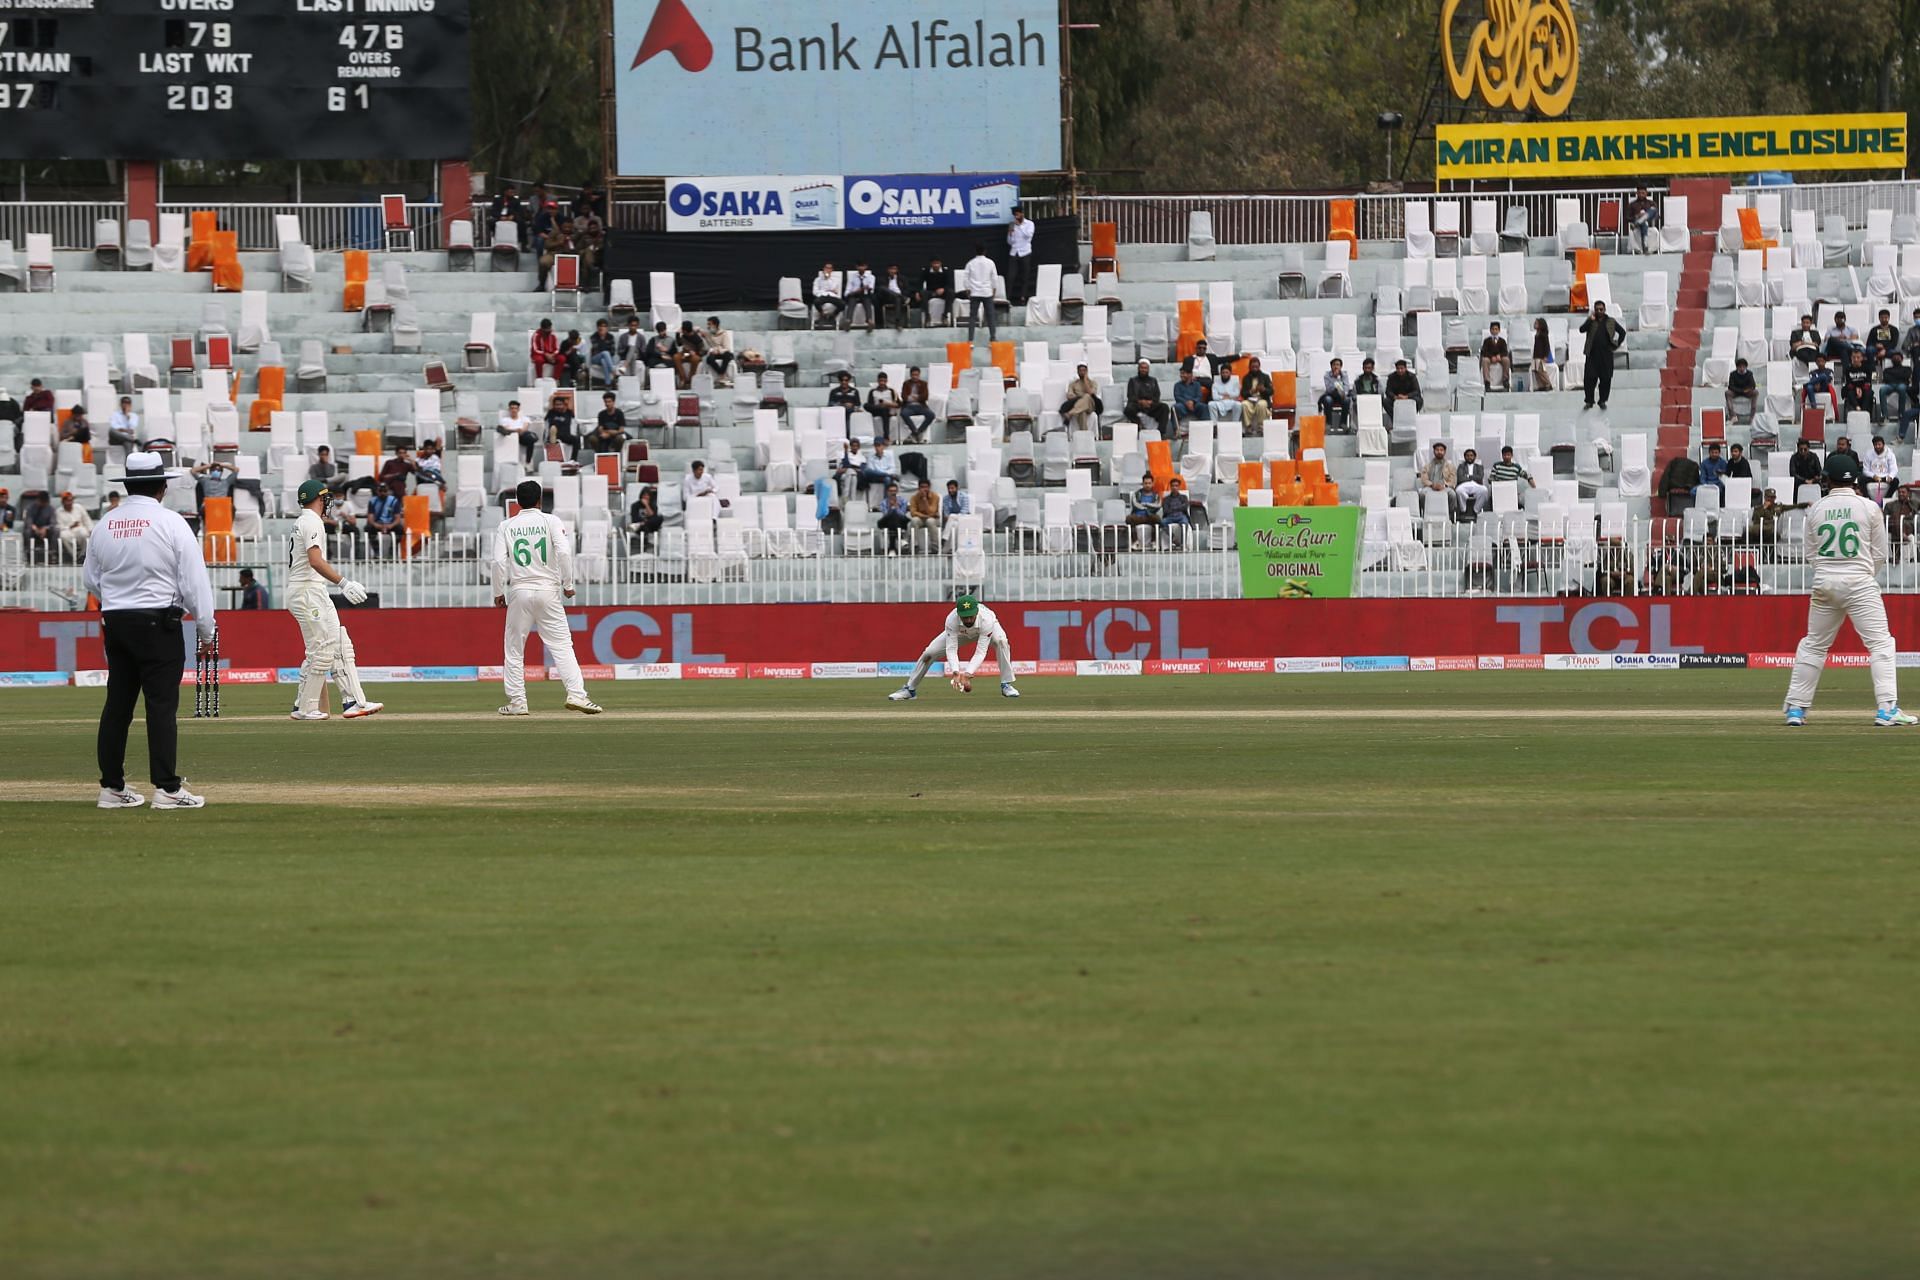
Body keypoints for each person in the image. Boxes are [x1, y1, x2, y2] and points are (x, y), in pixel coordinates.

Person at [85, 453, 218, 810]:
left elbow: (91, 580)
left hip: (117, 622)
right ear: (162, 486)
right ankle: (167, 789)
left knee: (117, 706)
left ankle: (111, 788)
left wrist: (117, 601)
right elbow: (194, 583)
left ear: (128, 485)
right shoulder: (172, 523)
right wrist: (207, 630)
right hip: (159, 622)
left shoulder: (105, 524)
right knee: (161, 707)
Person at [1783, 454, 1916, 727]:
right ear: (1855, 479)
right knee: (1880, 643)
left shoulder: (1816, 509)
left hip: (1825, 583)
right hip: (1859, 582)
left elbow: (1811, 553)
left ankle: (1796, 709)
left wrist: (1828, 571)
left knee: (1814, 645)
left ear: (1826, 479)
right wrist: (1863, 573)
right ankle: (1887, 708)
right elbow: (1879, 552)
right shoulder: (1868, 507)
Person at [492, 479, 603, 716]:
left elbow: (499, 562)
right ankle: (577, 695)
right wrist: (568, 583)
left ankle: (518, 703)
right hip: (548, 589)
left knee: (513, 649)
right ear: (540, 500)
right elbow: (563, 551)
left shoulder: (506, 525)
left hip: (519, 590)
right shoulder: (550, 520)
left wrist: (498, 592)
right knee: (562, 645)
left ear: (517, 502)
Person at [284, 479, 379, 722]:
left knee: (339, 641)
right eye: (327, 498)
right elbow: (315, 560)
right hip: (307, 591)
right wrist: (343, 583)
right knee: (321, 649)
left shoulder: (305, 521)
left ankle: (353, 701)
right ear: (319, 498)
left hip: (312, 589)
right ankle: (305, 707)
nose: (329, 503)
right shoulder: (311, 521)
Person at [888, 593, 1018, 700]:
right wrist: (956, 671)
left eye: (970, 617)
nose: (967, 620)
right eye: (964, 617)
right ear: (958, 614)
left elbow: (980, 651)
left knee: (1001, 642)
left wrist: (968, 673)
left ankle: (1006, 684)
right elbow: (951, 649)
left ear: (977, 612)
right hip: (961, 632)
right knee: (929, 653)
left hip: (985, 630)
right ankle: (909, 689)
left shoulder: (987, 619)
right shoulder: (952, 619)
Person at [1579, 301, 1626, 410]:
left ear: (1604, 310)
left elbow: (1622, 333)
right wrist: (1589, 321)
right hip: (1592, 354)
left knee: (1606, 378)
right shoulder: (1591, 321)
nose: (1599, 311)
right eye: (1597, 309)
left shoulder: (1611, 321)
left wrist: (1616, 344)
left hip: (1606, 355)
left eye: (1601, 309)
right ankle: (1589, 401)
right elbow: (1581, 330)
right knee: (1589, 378)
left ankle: (1602, 400)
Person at [963, 242, 998, 343]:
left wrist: (967, 289)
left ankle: (970, 339)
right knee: (991, 315)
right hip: (987, 292)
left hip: (975, 292)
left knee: (973, 317)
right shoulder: (990, 262)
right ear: (985, 251)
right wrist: (994, 289)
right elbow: (994, 278)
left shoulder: (970, 263)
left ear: (975, 251)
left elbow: (966, 278)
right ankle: (993, 337)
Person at [1125, 359, 1170, 432]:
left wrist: (1150, 403)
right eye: (1142, 368)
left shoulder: (1153, 380)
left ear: (1148, 369)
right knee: (1128, 409)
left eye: (1145, 368)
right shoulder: (1133, 381)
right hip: (1137, 405)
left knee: (1164, 407)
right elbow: (1130, 395)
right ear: (1138, 368)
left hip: (1150, 405)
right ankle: (1138, 426)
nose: (1143, 370)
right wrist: (1141, 402)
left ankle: (1161, 432)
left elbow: (1157, 395)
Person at [1882, 351, 1917, 440]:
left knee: (1902, 389)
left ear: (1902, 359)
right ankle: (1885, 416)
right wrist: (1899, 377)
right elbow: (1886, 378)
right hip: (1890, 385)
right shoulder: (1887, 370)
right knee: (1882, 390)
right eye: (1894, 357)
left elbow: (1907, 377)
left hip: (1902, 385)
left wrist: (1895, 378)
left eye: (1898, 356)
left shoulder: (1907, 368)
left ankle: (1901, 414)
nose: (1896, 358)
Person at [1005, 206, 1035, 305]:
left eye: (1017, 215)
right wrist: (1010, 234)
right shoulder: (1012, 225)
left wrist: (1020, 226)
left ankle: (1023, 297)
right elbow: (1010, 242)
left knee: (1025, 276)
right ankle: (1008, 297)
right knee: (1010, 276)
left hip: (1025, 252)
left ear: (1022, 214)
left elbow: (1028, 236)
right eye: (1015, 215)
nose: (1016, 217)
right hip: (1014, 252)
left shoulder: (1029, 224)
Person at [1061, 363, 1102, 434]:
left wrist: (1085, 380)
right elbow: (1069, 396)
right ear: (1077, 372)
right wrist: (1078, 397)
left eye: (1084, 371)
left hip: (1090, 404)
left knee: (1087, 396)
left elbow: (1091, 393)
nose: (1082, 372)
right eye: (1080, 371)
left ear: (1087, 371)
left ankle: (1070, 414)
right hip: (1079, 405)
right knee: (1082, 412)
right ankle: (1084, 435)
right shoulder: (1073, 384)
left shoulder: (1092, 383)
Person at [497, 399, 539, 467]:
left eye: (515, 408)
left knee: (530, 439)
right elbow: (505, 428)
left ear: (518, 409)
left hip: (522, 436)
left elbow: (524, 428)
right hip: (510, 437)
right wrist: (516, 430)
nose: (513, 410)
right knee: (501, 429)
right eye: (512, 408)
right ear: (509, 409)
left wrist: (516, 430)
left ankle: (528, 462)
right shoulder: (505, 420)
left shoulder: (524, 419)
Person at [1421, 442, 1458, 516]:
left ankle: (1449, 515)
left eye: (1441, 450)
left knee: (1452, 495)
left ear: (1444, 452)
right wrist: (1432, 485)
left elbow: (1453, 480)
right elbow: (1424, 479)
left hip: (1444, 487)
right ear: (1434, 451)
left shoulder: (1450, 466)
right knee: (1422, 494)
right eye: (1437, 450)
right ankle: (1426, 514)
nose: (1439, 452)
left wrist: (1444, 485)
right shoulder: (1427, 466)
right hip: (1430, 487)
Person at [54, 490, 93, 560]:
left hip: (79, 529)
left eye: (70, 500)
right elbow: (59, 526)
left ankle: (82, 555)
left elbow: (86, 519)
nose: (69, 502)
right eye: (67, 501)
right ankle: (74, 556)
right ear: (63, 502)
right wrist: (70, 526)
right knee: (63, 535)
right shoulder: (58, 512)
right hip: (67, 531)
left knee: (84, 533)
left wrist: (91, 529)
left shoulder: (79, 507)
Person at [875, 481, 911, 554]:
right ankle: (901, 539)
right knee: (892, 516)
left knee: (894, 517)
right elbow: (886, 515)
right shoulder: (883, 502)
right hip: (887, 521)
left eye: (894, 491)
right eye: (891, 491)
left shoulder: (903, 501)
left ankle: (892, 549)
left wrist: (896, 506)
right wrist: (890, 507)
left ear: (897, 491)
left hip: (900, 521)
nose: (893, 493)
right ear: (887, 492)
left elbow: (902, 514)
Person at [365, 482, 403, 553]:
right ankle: (376, 551)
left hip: (390, 524)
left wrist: (390, 526)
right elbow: (370, 518)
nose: (382, 493)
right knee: (368, 528)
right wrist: (378, 526)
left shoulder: (394, 501)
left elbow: (397, 518)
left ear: (388, 491)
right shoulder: (372, 501)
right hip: (378, 524)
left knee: (400, 529)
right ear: (377, 491)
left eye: (385, 491)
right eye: (380, 491)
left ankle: (392, 551)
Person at [899, 367, 934, 442]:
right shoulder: (906, 383)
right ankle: (914, 430)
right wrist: (915, 398)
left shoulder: (924, 384)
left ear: (919, 375)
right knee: (903, 413)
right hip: (909, 406)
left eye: (916, 375)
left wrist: (916, 397)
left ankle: (918, 432)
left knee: (931, 415)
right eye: (913, 375)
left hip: (921, 406)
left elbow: (925, 396)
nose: (915, 377)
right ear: (910, 375)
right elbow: (904, 396)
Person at [1125, 472, 1161, 542]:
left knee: (1157, 519)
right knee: (1129, 519)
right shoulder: (1136, 494)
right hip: (1138, 517)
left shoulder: (1156, 495)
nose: (1147, 485)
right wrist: (1146, 507)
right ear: (1143, 484)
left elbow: (1158, 506)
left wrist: (1146, 504)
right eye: (1146, 483)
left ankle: (1153, 542)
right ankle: (1135, 541)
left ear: (1152, 484)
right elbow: (1135, 504)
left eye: (1149, 483)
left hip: (1150, 516)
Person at [1864, 435, 1900, 505]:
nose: (1877, 446)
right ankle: (1868, 498)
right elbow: (1865, 470)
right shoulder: (1868, 454)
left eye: (1879, 444)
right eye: (1875, 445)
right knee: (1861, 479)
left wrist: (1891, 476)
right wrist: (1873, 476)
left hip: (1885, 477)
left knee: (1896, 481)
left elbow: (1894, 468)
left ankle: (1886, 498)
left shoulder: (1890, 454)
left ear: (1883, 444)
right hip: (1874, 477)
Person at [865, 372, 901, 443]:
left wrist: (887, 404)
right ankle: (881, 408)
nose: (882, 383)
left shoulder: (891, 391)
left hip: (888, 410)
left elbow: (899, 404)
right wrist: (878, 406)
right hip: (876, 410)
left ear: (886, 381)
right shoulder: (873, 391)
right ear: (878, 381)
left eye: (884, 381)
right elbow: (870, 405)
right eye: (881, 381)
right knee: (866, 405)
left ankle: (886, 436)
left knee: (884, 409)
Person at [1841, 350, 1876, 422]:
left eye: (1858, 357)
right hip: (1853, 389)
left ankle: (1864, 412)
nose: (1856, 359)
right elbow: (1849, 383)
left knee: (1869, 392)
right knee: (1849, 392)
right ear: (1851, 358)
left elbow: (1868, 382)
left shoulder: (1867, 368)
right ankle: (1857, 407)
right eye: (1854, 357)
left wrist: (1861, 389)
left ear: (1861, 358)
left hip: (1864, 389)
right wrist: (1856, 389)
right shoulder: (1848, 369)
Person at [1240, 357, 1273, 432]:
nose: (1255, 368)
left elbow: (1271, 391)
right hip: (1250, 400)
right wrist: (1251, 392)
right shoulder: (1246, 378)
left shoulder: (1265, 377)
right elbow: (1243, 393)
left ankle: (1261, 426)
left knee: (1261, 404)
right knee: (1244, 404)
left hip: (1262, 399)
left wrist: (1264, 389)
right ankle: (1248, 426)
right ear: (1249, 367)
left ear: (1259, 367)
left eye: (1256, 367)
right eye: (1253, 367)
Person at [908, 477, 941, 548]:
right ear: (919, 488)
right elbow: (913, 513)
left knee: (930, 521)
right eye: (922, 487)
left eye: (926, 487)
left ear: (929, 487)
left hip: (934, 519)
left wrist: (925, 500)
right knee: (914, 520)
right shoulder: (914, 497)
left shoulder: (935, 496)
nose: (924, 489)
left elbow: (932, 511)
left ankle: (935, 546)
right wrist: (926, 516)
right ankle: (914, 545)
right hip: (921, 519)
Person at [671, 320, 705, 389]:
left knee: (695, 359)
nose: (681, 331)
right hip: (685, 353)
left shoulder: (697, 339)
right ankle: (683, 379)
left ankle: (690, 380)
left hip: (694, 355)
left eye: (682, 330)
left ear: (686, 331)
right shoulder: (683, 335)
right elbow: (679, 343)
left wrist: (695, 353)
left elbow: (703, 351)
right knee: (676, 357)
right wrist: (677, 334)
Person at [916, 257, 950, 325]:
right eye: (934, 263)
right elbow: (920, 283)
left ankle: (945, 315)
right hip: (930, 292)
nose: (936, 265)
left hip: (942, 292)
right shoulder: (926, 271)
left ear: (940, 263)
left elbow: (949, 284)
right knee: (923, 293)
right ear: (931, 264)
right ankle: (927, 317)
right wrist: (917, 292)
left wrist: (943, 289)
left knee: (951, 292)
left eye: (938, 263)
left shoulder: (945, 271)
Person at [1456, 447, 1489, 517]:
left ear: (1474, 457)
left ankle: (1476, 510)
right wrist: (1473, 477)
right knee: (1458, 490)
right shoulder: (1461, 466)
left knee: (1484, 490)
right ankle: (1463, 510)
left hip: (1476, 485)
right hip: (1464, 485)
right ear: (1465, 457)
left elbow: (1480, 478)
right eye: (1467, 456)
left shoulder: (1479, 467)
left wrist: (1467, 476)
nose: (1469, 457)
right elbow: (1460, 478)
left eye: (1471, 455)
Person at [1316, 357, 1351, 424]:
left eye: (1338, 365)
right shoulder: (1327, 376)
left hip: (1341, 395)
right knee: (1328, 400)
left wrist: (1342, 392)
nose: (1336, 367)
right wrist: (1337, 379)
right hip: (1331, 395)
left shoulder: (1344, 375)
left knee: (1347, 400)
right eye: (1334, 365)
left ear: (1341, 366)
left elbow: (1346, 387)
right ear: (1331, 366)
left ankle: (1343, 423)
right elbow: (1329, 389)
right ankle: (1328, 423)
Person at [23, 490, 56, 560]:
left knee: (56, 530)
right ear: (38, 500)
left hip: (46, 531)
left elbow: (52, 523)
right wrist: (34, 528)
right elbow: (28, 521)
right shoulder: (30, 508)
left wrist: (46, 528)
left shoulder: (51, 509)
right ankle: (29, 553)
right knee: (27, 531)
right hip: (34, 530)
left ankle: (52, 553)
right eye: (41, 502)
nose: (43, 504)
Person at [843, 261, 876, 330]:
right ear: (856, 267)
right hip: (854, 295)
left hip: (866, 295)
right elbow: (847, 292)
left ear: (866, 267)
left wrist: (867, 289)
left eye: (863, 266)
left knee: (867, 301)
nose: (861, 268)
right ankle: (848, 321)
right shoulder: (852, 277)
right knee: (851, 301)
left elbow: (872, 290)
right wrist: (857, 291)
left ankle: (869, 321)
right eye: (859, 266)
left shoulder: (871, 277)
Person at [1479, 321, 1511, 391]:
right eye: (1493, 329)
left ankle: (1505, 380)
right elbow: (1484, 351)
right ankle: (1487, 382)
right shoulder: (1486, 341)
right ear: (1490, 330)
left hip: (1500, 358)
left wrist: (1500, 356)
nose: (1494, 330)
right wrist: (1491, 357)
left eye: (1496, 329)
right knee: (1485, 360)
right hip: (1490, 358)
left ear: (1499, 330)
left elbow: (1505, 351)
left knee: (1506, 360)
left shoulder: (1502, 341)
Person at [1160, 475, 1192, 545]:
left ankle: (1183, 543)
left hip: (1181, 516)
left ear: (1179, 487)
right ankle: (1173, 538)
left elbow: (1185, 507)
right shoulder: (1166, 499)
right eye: (1173, 486)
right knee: (1162, 522)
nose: (1174, 487)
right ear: (1170, 487)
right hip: (1170, 517)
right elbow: (1166, 510)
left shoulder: (1184, 497)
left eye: (1176, 486)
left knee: (1185, 523)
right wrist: (1178, 508)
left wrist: (1172, 508)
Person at [703, 316, 735, 385]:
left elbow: (727, 348)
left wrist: (718, 351)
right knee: (709, 359)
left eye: (709, 324)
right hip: (714, 353)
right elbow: (707, 346)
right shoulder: (708, 334)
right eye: (708, 324)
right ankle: (721, 374)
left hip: (723, 353)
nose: (708, 326)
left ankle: (721, 374)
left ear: (715, 325)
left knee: (727, 356)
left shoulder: (724, 333)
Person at [588, 319, 619, 388]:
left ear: (607, 328)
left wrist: (605, 354)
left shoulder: (610, 337)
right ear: (597, 327)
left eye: (604, 326)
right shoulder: (593, 337)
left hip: (606, 358)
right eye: (600, 326)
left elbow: (613, 352)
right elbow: (596, 351)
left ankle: (607, 383)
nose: (602, 328)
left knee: (604, 360)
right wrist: (601, 339)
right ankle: (613, 371)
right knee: (605, 353)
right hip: (595, 358)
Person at [628, 486, 662, 550]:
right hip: (638, 526)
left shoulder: (653, 505)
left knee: (660, 518)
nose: (646, 497)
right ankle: (645, 546)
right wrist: (643, 522)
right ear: (641, 496)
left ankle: (646, 543)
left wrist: (647, 505)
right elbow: (635, 520)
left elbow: (654, 517)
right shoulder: (635, 506)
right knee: (643, 527)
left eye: (647, 495)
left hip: (649, 525)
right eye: (644, 495)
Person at [1726, 357, 1758, 422]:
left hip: (1746, 392)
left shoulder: (1749, 374)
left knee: (1755, 392)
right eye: (1740, 367)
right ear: (1737, 367)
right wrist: (1740, 391)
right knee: (1727, 392)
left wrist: (1745, 391)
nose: (1742, 368)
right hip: (1736, 392)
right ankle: (1733, 416)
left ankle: (1752, 417)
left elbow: (1753, 385)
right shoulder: (1733, 374)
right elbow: (1730, 386)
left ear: (1746, 367)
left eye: (1743, 367)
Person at [1626, 186, 1658, 253]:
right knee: (1644, 222)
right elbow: (1627, 218)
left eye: (1643, 193)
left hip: (1648, 224)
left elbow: (1657, 216)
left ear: (1646, 193)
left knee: (1652, 210)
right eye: (1639, 193)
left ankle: (1639, 222)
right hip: (1638, 226)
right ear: (1637, 193)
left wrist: (1646, 216)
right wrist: (1637, 216)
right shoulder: (1632, 204)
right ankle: (1645, 246)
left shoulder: (1651, 203)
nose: (1641, 195)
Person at [811, 261, 842, 327]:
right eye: (826, 268)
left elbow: (834, 289)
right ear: (823, 269)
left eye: (829, 268)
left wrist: (827, 279)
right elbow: (815, 291)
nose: (827, 270)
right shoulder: (818, 280)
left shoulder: (835, 280)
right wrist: (824, 291)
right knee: (816, 302)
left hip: (832, 296)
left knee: (842, 304)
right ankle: (822, 315)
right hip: (822, 296)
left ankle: (833, 316)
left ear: (832, 270)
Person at [1530, 318, 1554, 391]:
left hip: (1541, 356)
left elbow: (1547, 346)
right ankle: (1541, 385)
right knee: (1536, 371)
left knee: (1541, 371)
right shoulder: (1537, 335)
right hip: (1536, 355)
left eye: (1537, 323)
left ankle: (1548, 384)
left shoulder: (1544, 335)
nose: (1535, 324)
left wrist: (1545, 356)